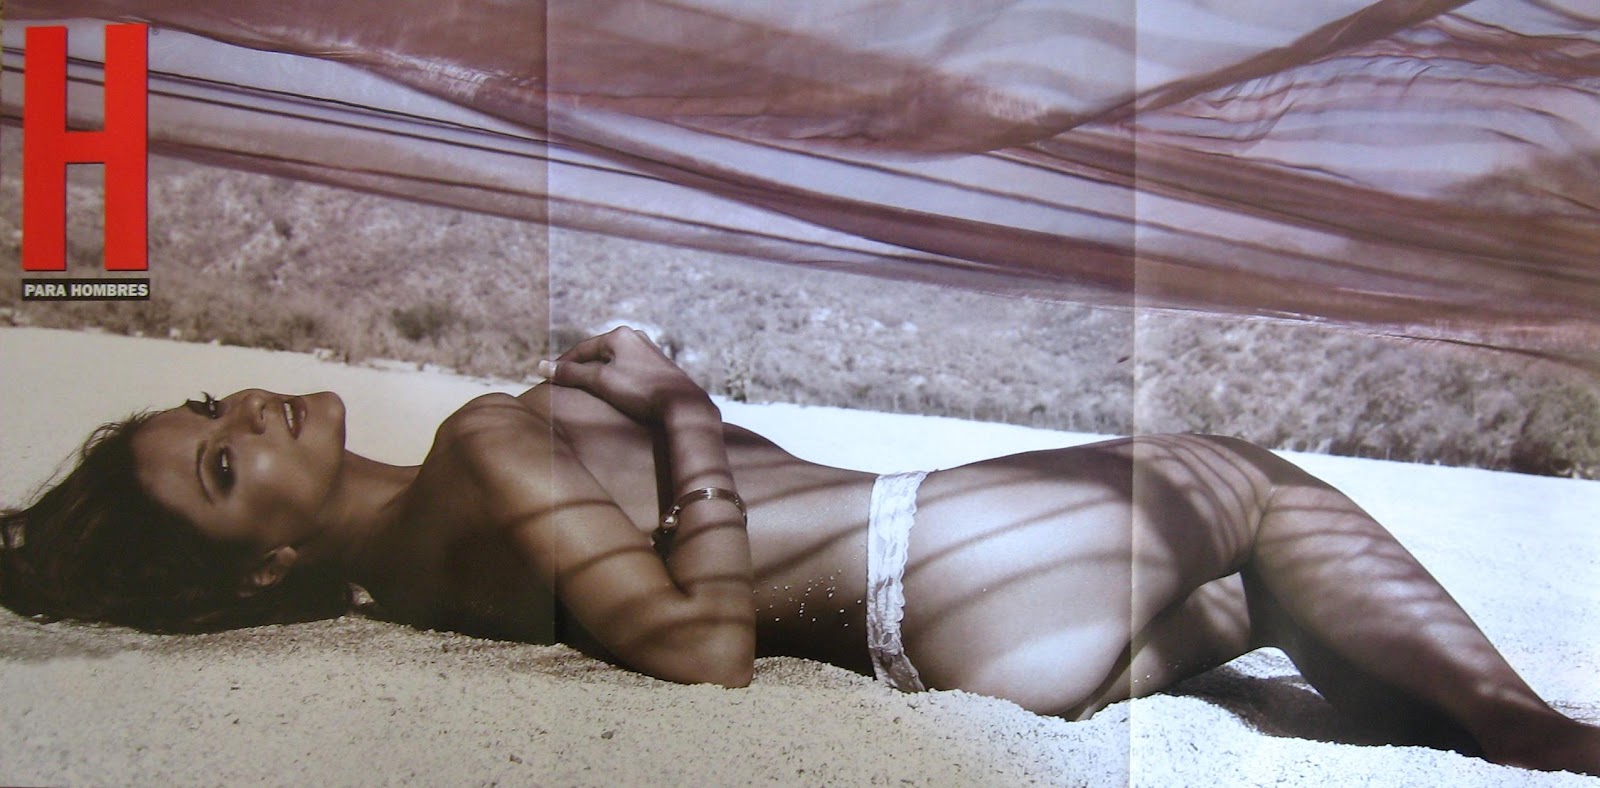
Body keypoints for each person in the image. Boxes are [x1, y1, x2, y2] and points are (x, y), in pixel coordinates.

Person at [1, 327, 1596, 775]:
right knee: (1241, 483)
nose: (250, 411)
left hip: (954, 642)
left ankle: (1464, 717)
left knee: (1258, 602)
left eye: (208, 409)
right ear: (259, 567)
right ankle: (1542, 734)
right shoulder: (481, 445)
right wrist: (679, 406)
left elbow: (617, 567)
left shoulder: (411, 572)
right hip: (930, 562)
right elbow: (701, 648)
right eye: (225, 464)